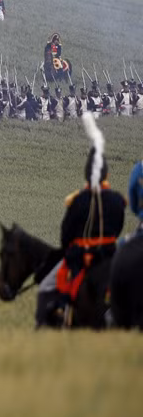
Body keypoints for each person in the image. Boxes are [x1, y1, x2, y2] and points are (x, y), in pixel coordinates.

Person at [35, 114, 127, 328]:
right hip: (109, 256)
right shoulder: (117, 201)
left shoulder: (77, 200)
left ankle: (50, 323)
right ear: (106, 172)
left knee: (46, 288)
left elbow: (66, 234)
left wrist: (73, 248)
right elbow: (119, 226)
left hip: (82, 257)